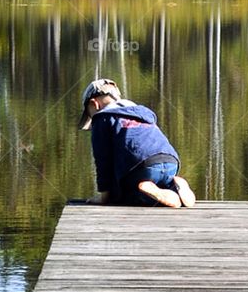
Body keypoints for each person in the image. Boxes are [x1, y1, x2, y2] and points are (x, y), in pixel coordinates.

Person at [78, 78, 196, 208]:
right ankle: (174, 187)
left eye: (90, 114)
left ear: (94, 104)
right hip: (171, 162)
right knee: (158, 179)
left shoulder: (102, 118)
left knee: (125, 196)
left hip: (142, 166)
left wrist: (104, 196)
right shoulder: (142, 113)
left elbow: (103, 161)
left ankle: (157, 196)